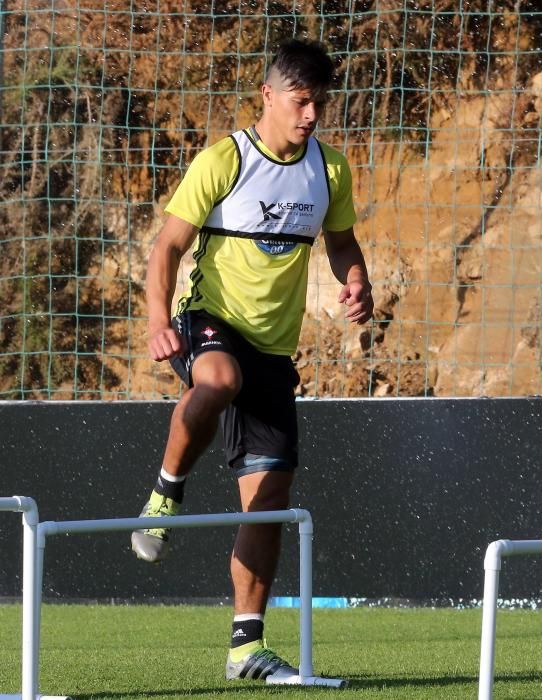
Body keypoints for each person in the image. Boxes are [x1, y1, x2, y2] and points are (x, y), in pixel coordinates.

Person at [131, 37, 374, 682]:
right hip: (210, 318)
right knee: (219, 377)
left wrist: (356, 282)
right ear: (267, 96)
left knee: (267, 498)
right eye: (301, 102)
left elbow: (343, 245)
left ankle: (246, 648)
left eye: (320, 103)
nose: (312, 115)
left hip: (274, 346)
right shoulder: (224, 160)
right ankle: (166, 492)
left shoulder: (331, 169)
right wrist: (159, 323)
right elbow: (166, 250)